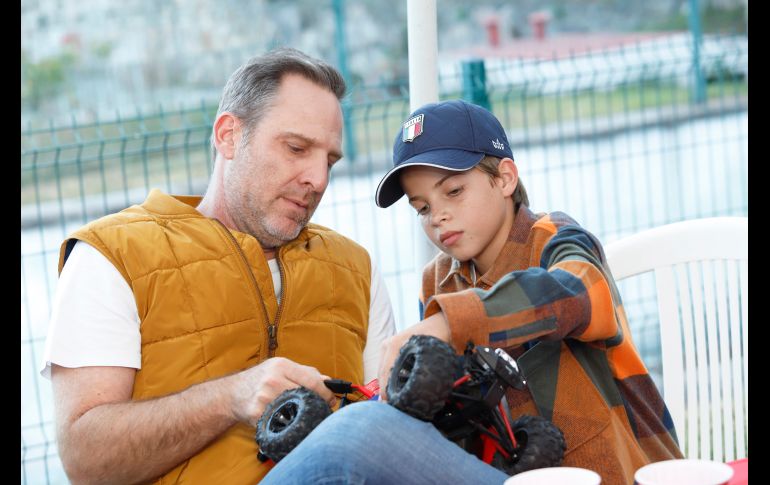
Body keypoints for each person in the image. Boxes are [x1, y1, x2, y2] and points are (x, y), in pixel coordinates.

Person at [261, 99, 683, 485]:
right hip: (507, 470)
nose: (438, 216)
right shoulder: (437, 281)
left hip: (618, 473)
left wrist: (450, 324)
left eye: (454, 191)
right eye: (422, 208)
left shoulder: (553, 238)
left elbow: (580, 292)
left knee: (359, 436)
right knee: (361, 432)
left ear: (504, 178)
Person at [40, 47, 396, 484]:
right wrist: (232, 396)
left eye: (330, 161)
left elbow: (387, 431)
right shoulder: (113, 255)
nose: (318, 179)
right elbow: (86, 460)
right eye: (296, 148)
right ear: (229, 136)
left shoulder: (356, 266)